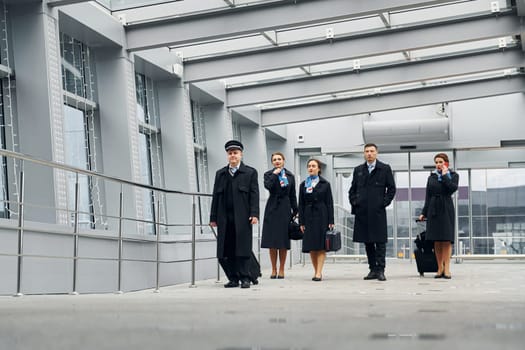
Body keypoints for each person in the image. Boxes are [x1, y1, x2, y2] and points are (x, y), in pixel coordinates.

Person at [210, 140, 259, 289]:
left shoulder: (250, 172)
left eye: (235, 153)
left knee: (243, 248)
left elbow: (254, 194)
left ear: (241, 154)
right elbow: (215, 196)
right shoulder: (220, 174)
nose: (233, 155)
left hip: (243, 217)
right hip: (224, 217)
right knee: (226, 249)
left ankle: (245, 277)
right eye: (230, 153)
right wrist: (213, 217)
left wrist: (254, 213)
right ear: (227, 155)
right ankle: (233, 278)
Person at [349, 143, 396, 281]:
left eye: (372, 151)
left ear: (376, 152)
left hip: (378, 211)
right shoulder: (358, 170)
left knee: (380, 241)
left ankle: (381, 270)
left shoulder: (384, 168)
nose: (369, 153)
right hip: (362, 212)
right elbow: (352, 190)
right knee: (367, 242)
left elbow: (391, 189)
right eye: (367, 151)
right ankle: (372, 269)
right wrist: (355, 202)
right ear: (364, 153)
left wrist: (384, 202)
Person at [418, 153, 459, 279]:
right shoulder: (431, 177)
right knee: (436, 240)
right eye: (436, 162)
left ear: (446, 163)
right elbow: (428, 196)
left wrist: (445, 175)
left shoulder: (453, 175)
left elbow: (452, 188)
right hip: (433, 209)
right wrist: (424, 212)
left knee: (446, 240)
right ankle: (439, 267)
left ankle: (447, 269)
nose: (438, 164)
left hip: (446, 207)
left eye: (441, 162)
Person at [261, 152, 298, 279]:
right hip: (272, 207)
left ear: (283, 161)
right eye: (275, 160)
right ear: (272, 162)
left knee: (283, 240)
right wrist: (274, 175)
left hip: (285, 208)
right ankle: (273, 269)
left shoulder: (290, 176)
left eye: (279, 159)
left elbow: (293, 194)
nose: (277, 161)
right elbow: (268, 186)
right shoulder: (268, 174)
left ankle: (282, 268)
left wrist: (296, 210)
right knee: (272, 241)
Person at [298, 158, 334, 282]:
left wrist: (331, 220)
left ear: (319, 169)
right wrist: (301, 221)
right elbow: (301, 204)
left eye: (313, 166)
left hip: (322, 215)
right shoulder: (303, 184)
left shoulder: (325, 184)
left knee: (321, 246)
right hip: (308, 216)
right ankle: (316, 271)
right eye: (309, 166)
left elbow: (329, 203)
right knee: (311, 246)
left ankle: (319, 272)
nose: (311, 168)